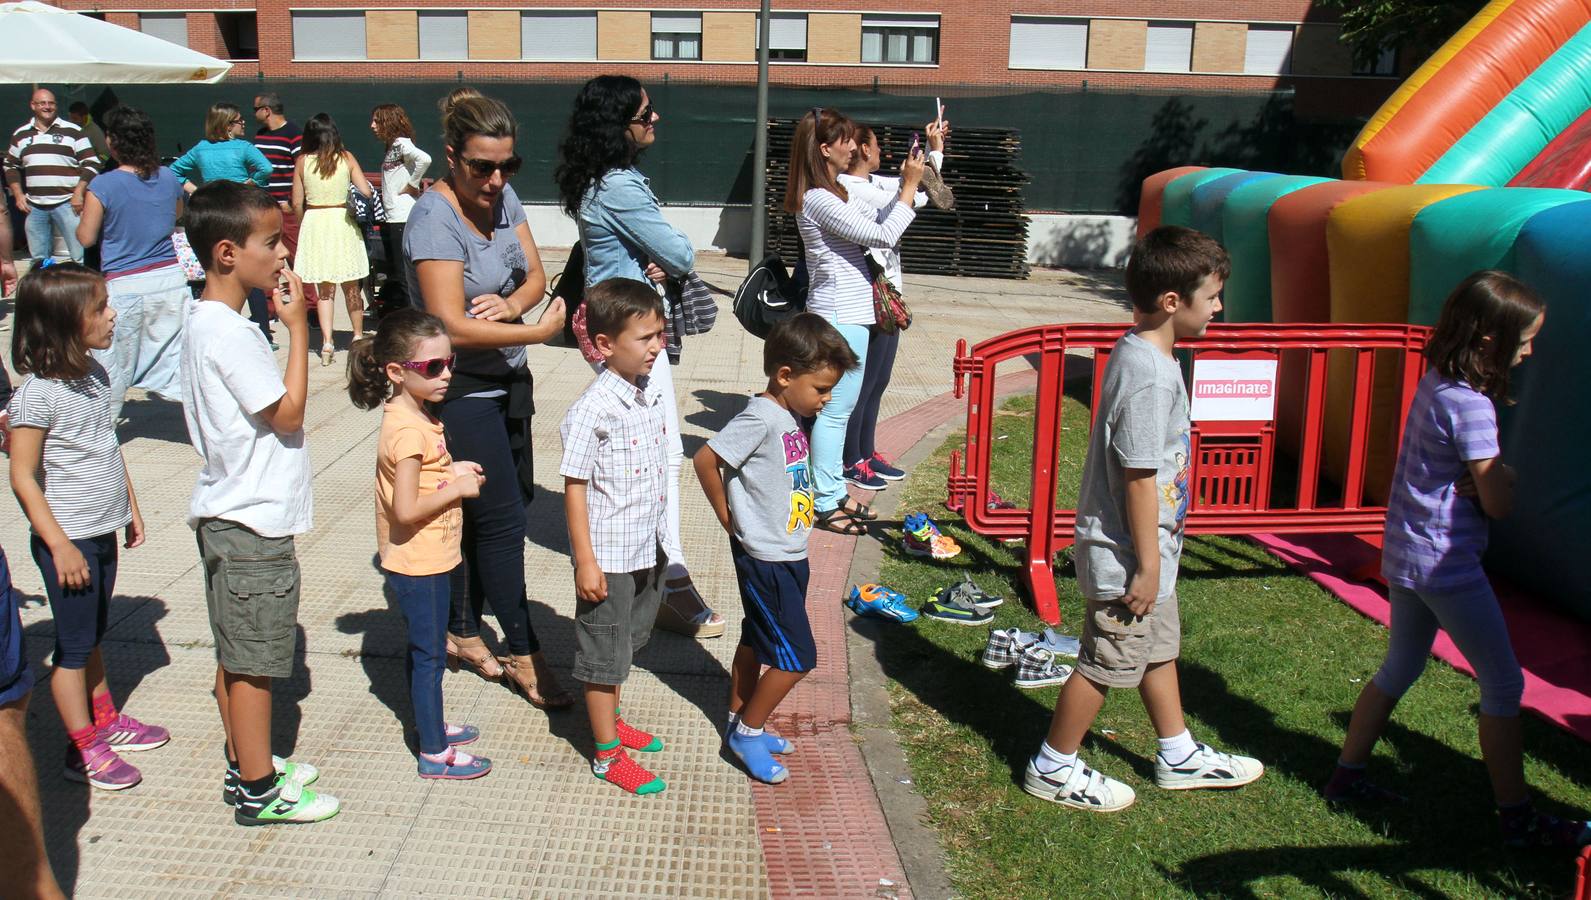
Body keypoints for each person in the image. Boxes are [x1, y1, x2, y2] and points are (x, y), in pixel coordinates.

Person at [1326, 272, 1588, 848]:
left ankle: (1346, 778)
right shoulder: (1473, 408)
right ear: (1491, 341)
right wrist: (1504, 480)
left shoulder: (1438, 382)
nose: (1531, 349)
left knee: (1400, 667)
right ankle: (1519, 820)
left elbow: (1463, 476)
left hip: (1406, 554)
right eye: (1525, 339)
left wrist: (1478, 479)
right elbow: (1497, 502)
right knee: (1503, 685)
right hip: (1447, 565)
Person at [1024, 226, 1263, 812]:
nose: (1220, 306)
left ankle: (1177, 754)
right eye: (1212, 296)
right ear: (1172, 302)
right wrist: (1147, 568)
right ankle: (1051, 766)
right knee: (1104, 664)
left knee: (1157, 648)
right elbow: (1138, 475)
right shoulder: (1150, 376)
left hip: (1150, 554)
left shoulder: (1148, 355)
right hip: (1129, 558)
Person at [404, 91, 572, 709]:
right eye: (482, 166)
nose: (496, 179)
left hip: (510, 382)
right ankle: (525, 654)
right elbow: (448, 323)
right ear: (452, 157)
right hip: (460, 387)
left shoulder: (503, 198)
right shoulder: (434, 217)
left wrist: (512, 307)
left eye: (507, 165)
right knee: (502, 522)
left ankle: (463, 630)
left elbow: (534, 274)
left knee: (494, 512)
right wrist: (533, 330)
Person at [180, 180, 337, 825]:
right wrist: (298, 328)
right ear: (226, 253)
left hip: (228, 509)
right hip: (251, 519)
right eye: (270, 242)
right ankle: (258, 791)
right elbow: (289, 412)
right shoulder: (232, 335)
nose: (281, 254)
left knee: (233, 651)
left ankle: (251, 762)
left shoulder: (208, 321)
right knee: (254, 665)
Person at [554, 74, 725, 640]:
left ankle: (660, 580)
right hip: (629, 337)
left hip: (616, 328)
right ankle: (669, 586)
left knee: (647, 453)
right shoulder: (620, 186)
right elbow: (679, 251)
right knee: (659, 453)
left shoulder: (596, 181)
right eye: (645, 114)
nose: (656, 121)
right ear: (617, 124)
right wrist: (663, 254)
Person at [6, 264, 164, 791]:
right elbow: (23, 477)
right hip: (67, 538)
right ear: (62, 324)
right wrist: (59, 545)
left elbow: (106, 447)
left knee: (92, 633)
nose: (112, 314)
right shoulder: (38, 395)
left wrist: (130, 506)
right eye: (99, 307)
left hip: (101, 527)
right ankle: (82, 747)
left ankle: (105, 718)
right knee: (72, 649)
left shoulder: (94, 376)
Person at [693, 313, 857, 784]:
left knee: (757, 638)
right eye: (821, 389)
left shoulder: (787, 414)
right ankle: (748, 731)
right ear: (785, 375)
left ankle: (737, 718)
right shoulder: (760, 417)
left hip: (787, 552)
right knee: (797, 657)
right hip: (766, 558)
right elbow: (708, 459)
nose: (826, 401)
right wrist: (728, 517)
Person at [348, 309, 492, 780]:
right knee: (430, 656)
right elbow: (406, 510)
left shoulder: (414, 417)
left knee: (428, 651)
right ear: (396, 372)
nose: (446, 374)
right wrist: (458, 489)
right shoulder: (407, 432)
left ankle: (432, 725)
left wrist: (451, 471)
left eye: (449, 362)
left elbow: (419, 482)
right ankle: (432, 751)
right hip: (420, 562)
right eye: (432, 367)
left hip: (432, 556)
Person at [785, 107, 922, 536]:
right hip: (840, 314)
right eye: (845, 139)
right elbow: (883, 235)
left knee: (837, 411)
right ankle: (824, 502)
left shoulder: (830, 193)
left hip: (850, 313)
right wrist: (910, 186)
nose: (853, 147)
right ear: (824, 148)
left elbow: (881, 218)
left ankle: (829, 491)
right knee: (834, 412)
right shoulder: (818, 198)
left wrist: (916, 179)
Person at [560, 279, 673, 795]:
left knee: (625, 643)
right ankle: (607, 754)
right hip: (607, 556)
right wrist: (585, 561)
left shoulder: (645, 393)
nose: (656, 346)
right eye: (645, 337)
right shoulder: (593, 409)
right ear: (606, 345)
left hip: (644, 548)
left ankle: (614, 717)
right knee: (603, 652)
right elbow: (575, 487)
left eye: (659, 334)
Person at [835, 118, 947, 490]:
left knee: (879, 381)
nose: (881, 151)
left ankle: (866, 452)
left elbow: (920, 190)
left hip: (888, 297)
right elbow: (907, 198)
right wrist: (912, 182)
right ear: (863, 149)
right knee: (863, 384)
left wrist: (933, 150)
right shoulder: (849, 189)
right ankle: (851, 459)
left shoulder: (871, 183)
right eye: (875, 145)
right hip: (869, 299)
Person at [75, 106, 188, 422]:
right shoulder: (168, 177)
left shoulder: (103, 185)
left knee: (113, 365)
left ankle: (102, 432)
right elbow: (177, 215)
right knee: (178, 360)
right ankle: (206, 423)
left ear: (112, 142)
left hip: (125, 283)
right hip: (170, 279)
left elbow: (86, 238)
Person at [293, 112, 373, 365]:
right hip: (343, 222)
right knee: (351, 286)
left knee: (324, 290)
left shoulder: (303, 161)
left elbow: (296, 201)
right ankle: (357, 336)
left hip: (315, 221)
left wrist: (302, 220)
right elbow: (366, 192)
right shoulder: (346, 158)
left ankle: (327, 342)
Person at [5, 88, 100, 263]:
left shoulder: (73, 131)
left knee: (79, 256)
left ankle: (81, 288)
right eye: (42, 103)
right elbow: (9, 165)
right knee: (39, 259)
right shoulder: (21, 134)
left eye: (51, 103)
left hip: (68, 203)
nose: (47, 107)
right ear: (33, 106)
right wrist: (18, 195)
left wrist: (79, 193)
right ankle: (43, 290)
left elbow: (92, 163)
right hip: (34, 205)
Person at [252, 92, 305, 348]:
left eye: (255, 109)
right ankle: (269, 310)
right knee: (265, 257)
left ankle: (309, 307)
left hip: (285, 208)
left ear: (267, 110)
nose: (253, 115)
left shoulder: (294, 134)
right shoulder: (260, 137)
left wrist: (292, 201)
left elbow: (301, 168)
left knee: (296, 256)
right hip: (262, 207)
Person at [371, 104, 431, 314]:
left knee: (403, 272)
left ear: (389, 122)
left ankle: (412, 319)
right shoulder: (391, 146)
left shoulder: (400, 143)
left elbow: (424, 159)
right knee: (396, 271)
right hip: (392, 216)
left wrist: (413, 184)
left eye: (377, 121)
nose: (373, 126)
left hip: (402, 216)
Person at [168, 102, 272, 193]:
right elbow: (267, 169)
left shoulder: (200, 148)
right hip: (240, 203)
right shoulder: (244, 147)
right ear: (228, 125)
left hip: (211, 204)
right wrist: (251, 182)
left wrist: (196, 191)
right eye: (240, 120)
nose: (243, 122)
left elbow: (172, 171)